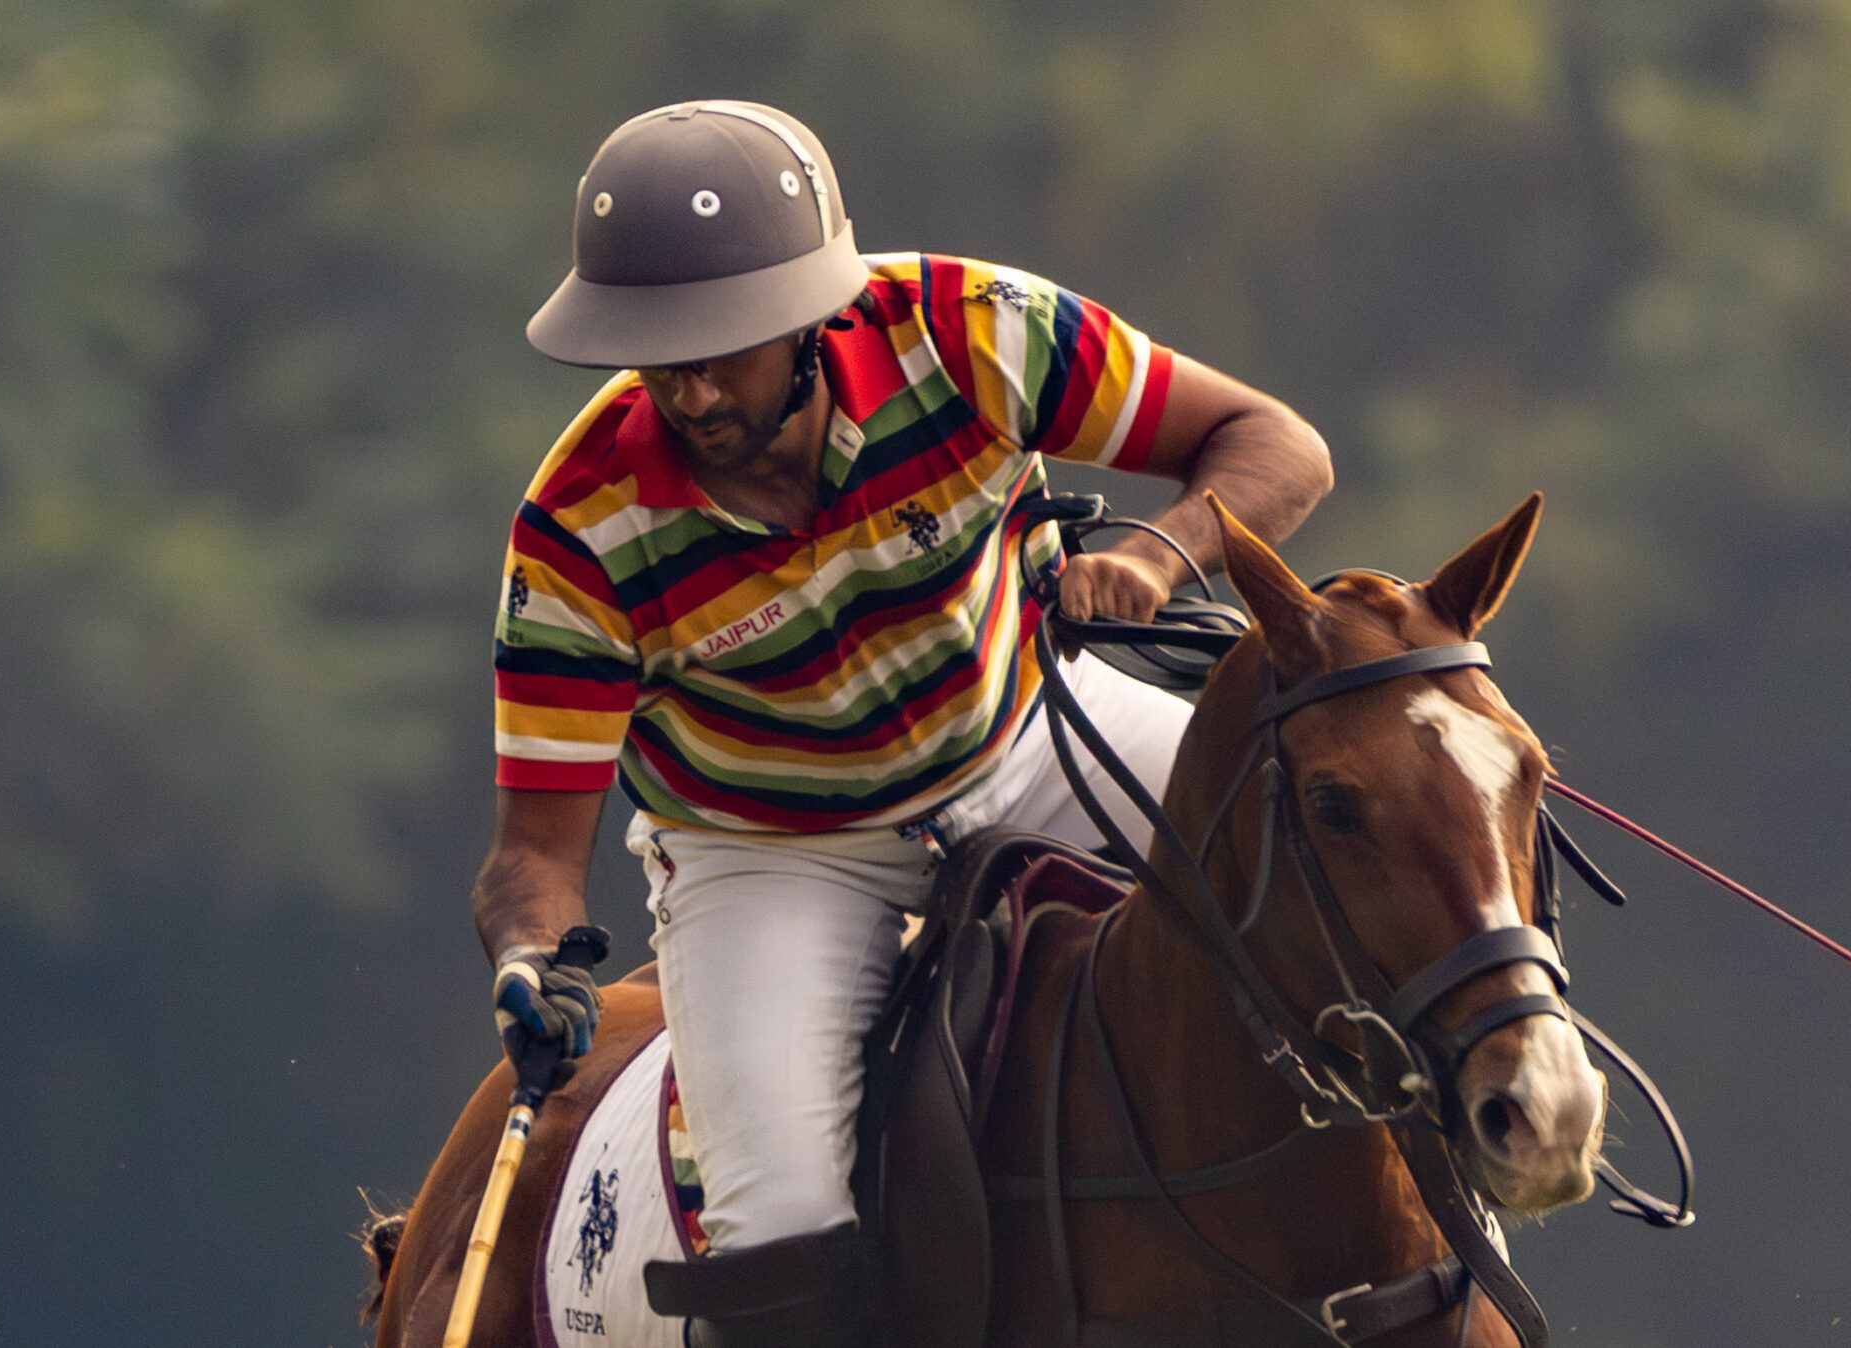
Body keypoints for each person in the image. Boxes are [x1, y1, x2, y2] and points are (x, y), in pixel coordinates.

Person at [479, 100, 1333, 1347]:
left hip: (1028, 729)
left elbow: (1273, 443)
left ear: (813, 313)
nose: (691, 385)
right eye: (656, 350)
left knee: (1328, 868)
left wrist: (1159, 551)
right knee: (775, 1219)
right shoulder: (576, 528)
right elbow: (532, 859)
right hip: (771, 852)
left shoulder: (972, 330)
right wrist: (533, 961)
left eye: (720, 344)